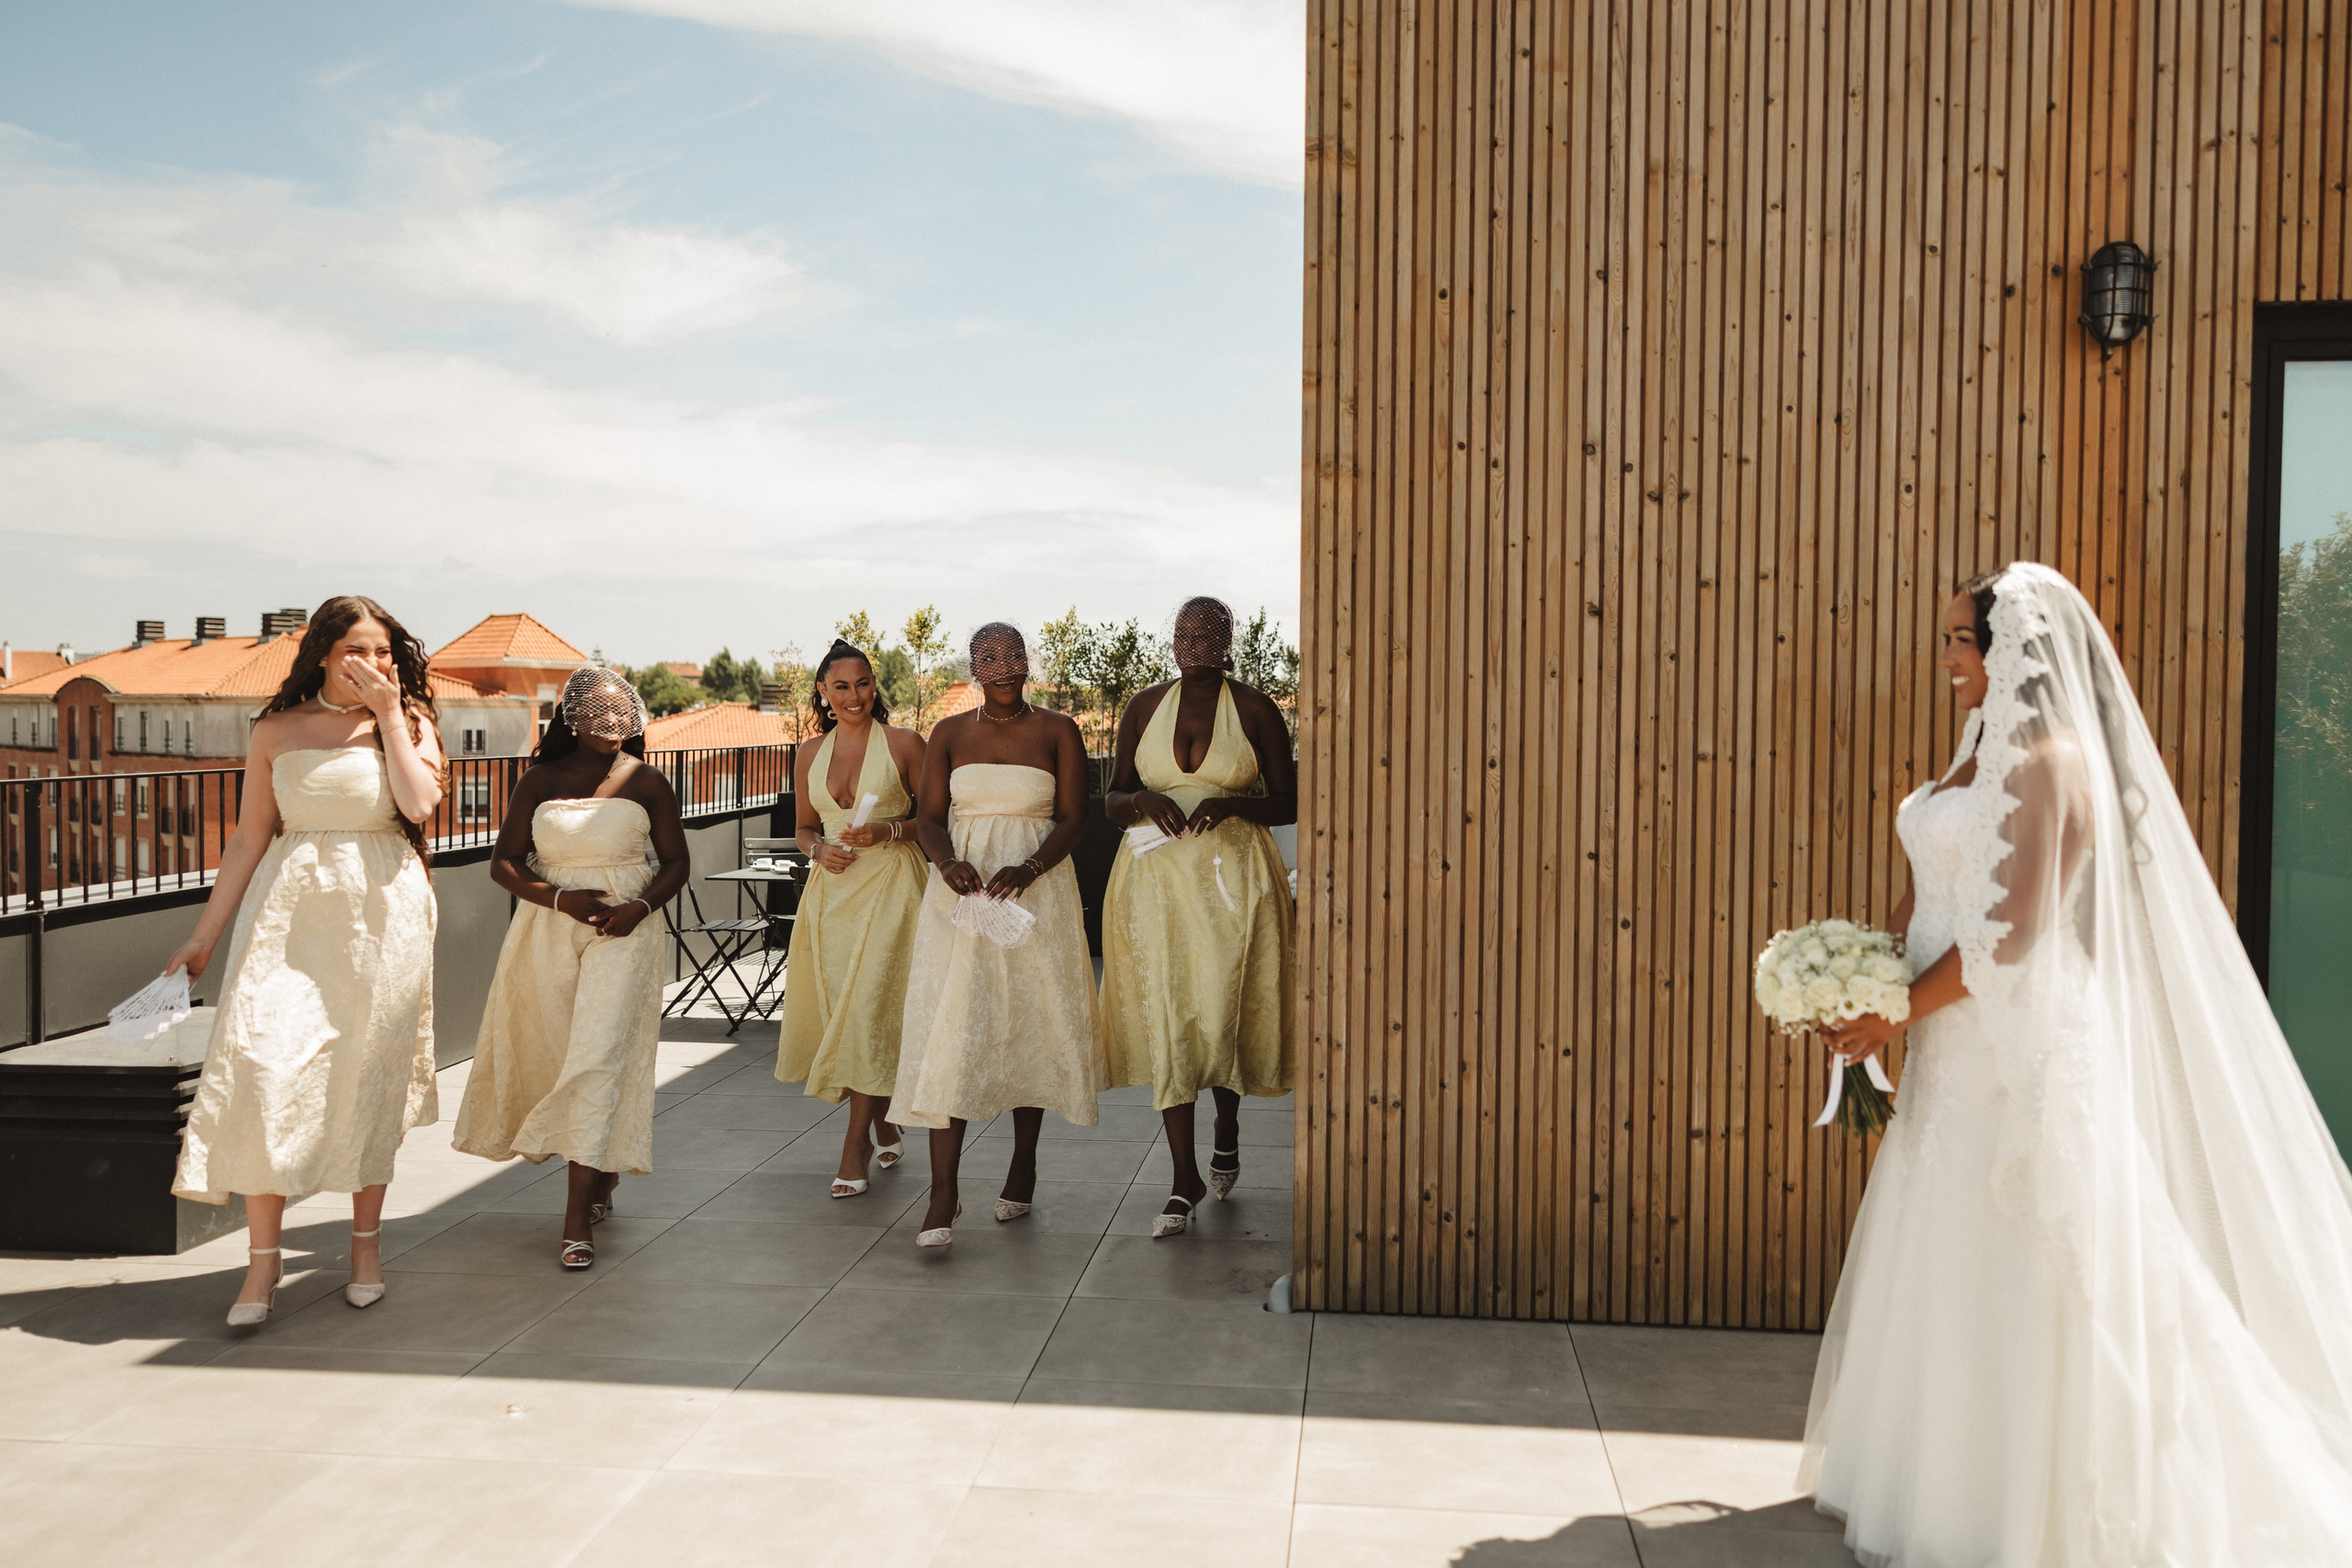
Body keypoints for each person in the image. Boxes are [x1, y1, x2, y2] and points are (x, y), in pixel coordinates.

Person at [1805, 563, 2352, 1564]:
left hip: (2017, 1048)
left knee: (2039, 1256)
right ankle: (1934, 1477)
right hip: (1946, 1037)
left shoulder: (2054, 764)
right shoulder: (1975, 750)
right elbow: (1930, 891)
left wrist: (1894, 1016)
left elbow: (2011, 938)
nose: (1947, 662)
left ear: (2015, 651)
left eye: (1961, 643)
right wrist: (1867, 982)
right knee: (1945, 1245)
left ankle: (2037, 1507)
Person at [168, 595, 445, 1326]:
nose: (376, 664)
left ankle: (364, 1249)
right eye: (359, 649)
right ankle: (262, 1268)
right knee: (264, 1066)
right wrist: (203, 937)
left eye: (385, 651)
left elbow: (419, 808)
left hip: (382, 917)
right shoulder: (275, 731)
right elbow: (247, 840)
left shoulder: (410, 722)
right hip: (288, 916)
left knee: (366, 1079)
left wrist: (389, 715)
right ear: (324, 651)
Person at [451, 667, 686, 1269]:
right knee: (561, 1054)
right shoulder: (540, 779)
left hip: (626, 933)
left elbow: (676, 864)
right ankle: (600, 1170)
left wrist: (638, 907)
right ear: (570, 718)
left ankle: (575, 1216)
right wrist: (560, 898)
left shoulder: (648, 781)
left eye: (620, 716)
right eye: (596, 715)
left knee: (597, 1056)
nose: (610, 727)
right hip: (548, 930)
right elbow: (503, 862)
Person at [894, 622, 1106, 1248]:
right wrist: (946, 861)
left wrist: (1032, 867)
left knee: (1026, 1022)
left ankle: (1024, 1162)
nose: (1005, 665)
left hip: (1034, 893)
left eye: (1014, 654)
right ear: (973, 668)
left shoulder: (1059, 730)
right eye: (990, 657)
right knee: (953, 1028)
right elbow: (928, 818)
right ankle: (942, 1191)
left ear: (1027, 662)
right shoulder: (951, 732)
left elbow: (1075, 817)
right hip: (962, 894)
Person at [1101, 596, 1295, 1237]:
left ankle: (1227, 1123)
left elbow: (1291, 801)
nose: (1191, 643)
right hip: (1154, 886)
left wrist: (1233, 806)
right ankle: (1182, 1179)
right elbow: (1110, 800)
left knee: (1220, 1013)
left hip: (1232, 886)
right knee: (1170, 1017)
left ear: (1227, 640)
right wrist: (1139, 797)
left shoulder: (1258, 710)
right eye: (1182, 632)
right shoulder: (1142, 707)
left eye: (1205, 633)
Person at [773, 638, 929, 1198]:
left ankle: (854, 1145)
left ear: (874, 685)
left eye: (863, 683)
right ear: (823, 692)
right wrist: (817, 851)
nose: (855, 695)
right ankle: (885, 1120)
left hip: (891, 889)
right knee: (847, 1010)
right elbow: (804, 828)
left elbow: (938, 820)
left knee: (867, 1009)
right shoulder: (809, 751)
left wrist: (889, 829)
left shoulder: (907, 744)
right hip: (831, 896)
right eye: (841, 686)